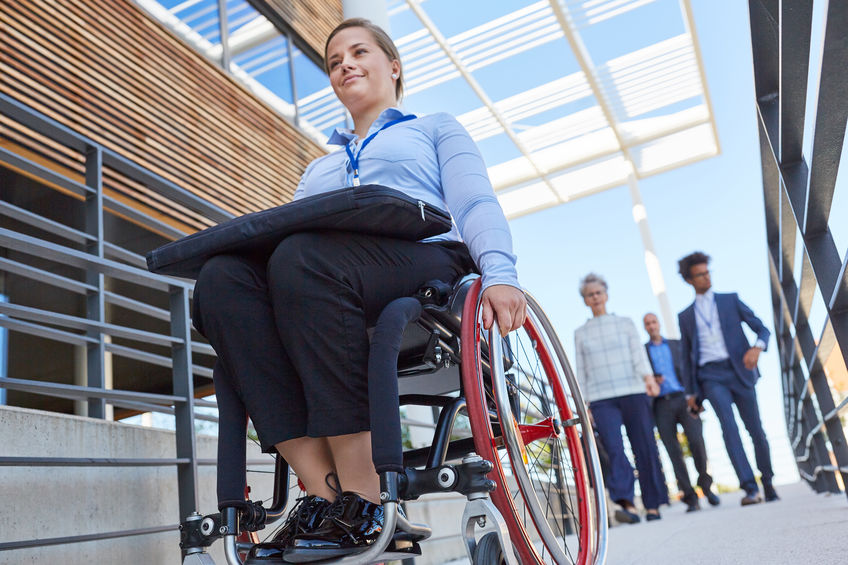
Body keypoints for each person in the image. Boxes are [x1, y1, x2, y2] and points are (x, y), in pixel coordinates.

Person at [191, 18, 527, 563]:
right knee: (222, 281)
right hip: (325, 282)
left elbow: (474, 205)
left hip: (421, 264)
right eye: (333, 60)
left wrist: (501, 274)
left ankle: (364, 497)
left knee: (303, 259)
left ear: (392, 66)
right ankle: (324, 497)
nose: (344, 63)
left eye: (358, 52)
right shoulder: (319, 167)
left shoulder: (434, 128)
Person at [677, 251, 778, 506]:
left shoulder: (730, 300)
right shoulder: (685, 316)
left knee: (755, 429)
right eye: (700, 275)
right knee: (729, 428)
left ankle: (767, 481)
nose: (706, 277)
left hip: (740, 371)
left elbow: (762, 328)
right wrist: (690, 393)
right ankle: (750, 488)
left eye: (708, 272)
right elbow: (687, 356)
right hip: (710, 376)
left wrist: (757, 348)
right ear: (690, 280)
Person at [574, 273, 667, 524]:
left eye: (598, 293)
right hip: (601, 398)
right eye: (589, 295)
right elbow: (580, 370)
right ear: (585, 300)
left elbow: (638, 353)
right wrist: (583, 403)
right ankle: (627, 503)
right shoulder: (580, 333)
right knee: (614, 449)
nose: (595, 297)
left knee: (645, 447)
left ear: (606, 294)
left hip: (634, 391)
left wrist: (648, 378)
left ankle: (652, 504)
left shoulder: (626, 323)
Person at [642, 312, 720, 512]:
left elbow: (692, 370)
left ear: (658, 323)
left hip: (684, 398)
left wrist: (698, 397)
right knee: (673, 451)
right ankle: (690, 496)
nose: (651, 326)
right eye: (647, 324)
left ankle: (706, 487)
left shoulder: (676, 345)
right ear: (645, 327)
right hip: (661, 404)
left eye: (654, 322)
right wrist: (650, 380)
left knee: (697, 442)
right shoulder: (642, 353)